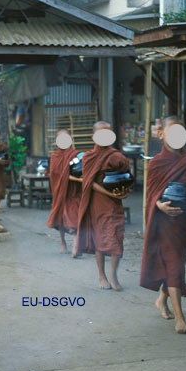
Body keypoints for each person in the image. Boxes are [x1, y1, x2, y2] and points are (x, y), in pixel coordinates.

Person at [140, 116, 186, 334]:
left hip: (185, 220)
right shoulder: (157, 162)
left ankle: (161, 300)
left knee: (178, 261)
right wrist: (158, 205)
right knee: (173, 263)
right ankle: (180, 319)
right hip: (164, 221)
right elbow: (151, 194)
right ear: (161, 134)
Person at [76, 121, 131, 291]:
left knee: (116, 236)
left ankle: (113, 274)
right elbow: (89, 182)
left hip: (115, 203)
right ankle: (102, 275)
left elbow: (127, 177)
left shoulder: (117, 156)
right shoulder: (88, 157)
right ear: (93, 136)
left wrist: (125, 192)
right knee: (99, 237)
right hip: (98, 202)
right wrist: (110, 194)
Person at [46, 128, 81, 257]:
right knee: (60, 218)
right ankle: (63, 242)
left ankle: (76, 245)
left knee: (74, 216)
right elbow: (54, 175)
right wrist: (67, 177)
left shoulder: (76, 155)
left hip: (73, 191)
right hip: (59, 191)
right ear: (56, 141)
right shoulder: (54, 157)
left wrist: (75, 178)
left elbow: (80, 170)